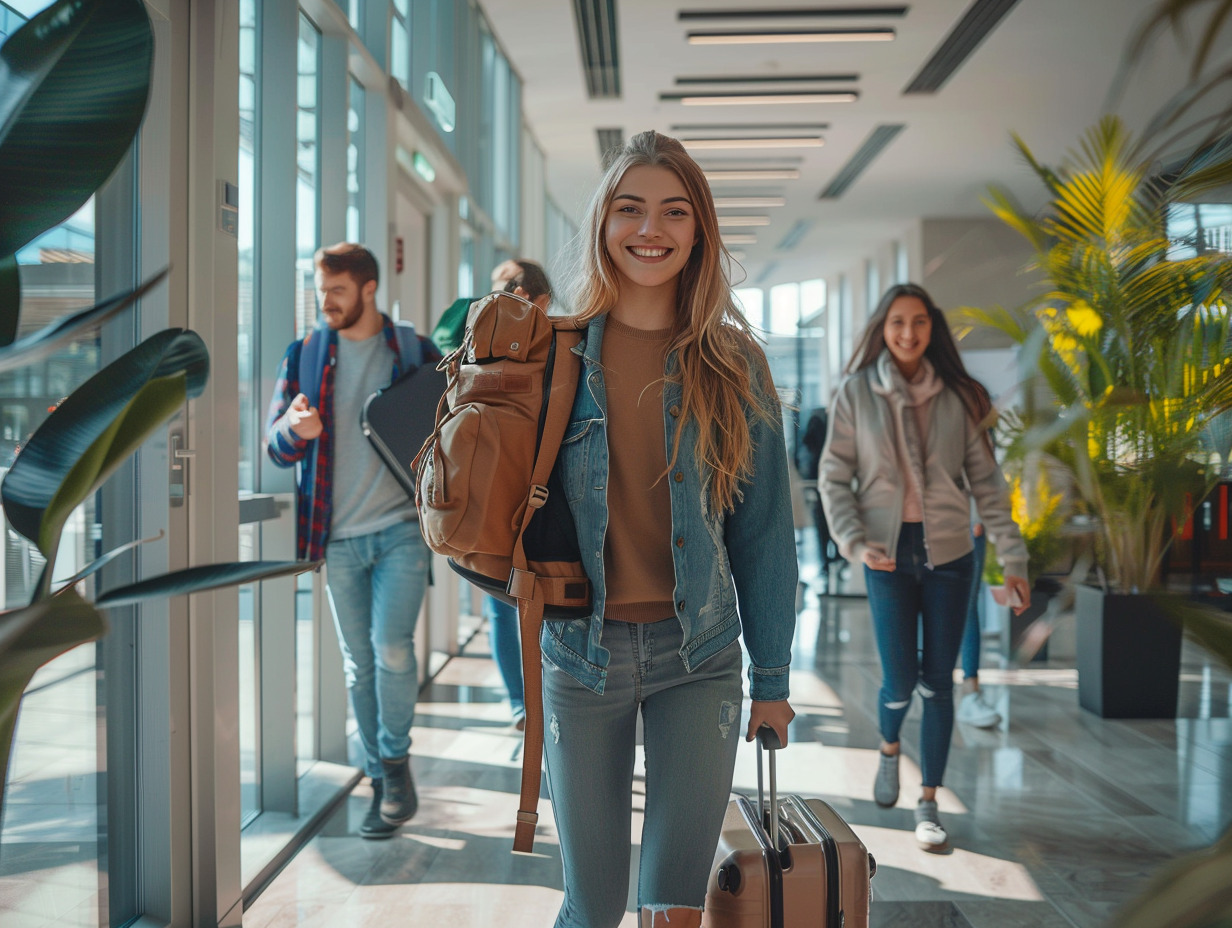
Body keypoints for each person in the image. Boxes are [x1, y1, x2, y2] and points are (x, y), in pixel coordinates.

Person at [540, 130, 797, 928]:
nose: (650, 229)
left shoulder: (735, 365)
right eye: (631, 208)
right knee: (592, 905)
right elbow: (503, 515)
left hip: (702, 657)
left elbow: (764, 534)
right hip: (582, 656)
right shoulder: (552, 355)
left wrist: (776, 681)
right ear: (604, 224)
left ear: (698, 232)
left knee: (673, 907)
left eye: (674, 212)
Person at [819, 282, 1030, 853]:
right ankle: (890, 747)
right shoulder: (856, 393)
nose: (908, 333)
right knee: (899, 679)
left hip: (950, 555)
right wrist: (854, 541)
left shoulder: (959, 397)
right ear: (882, 330)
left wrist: (1013, 557)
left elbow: (987, 482)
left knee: (940, 684)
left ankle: (930, 800)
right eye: (896, 323)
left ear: (932, 327)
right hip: (885, 556)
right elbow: (834, 476)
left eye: (918, 322)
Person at [266, 242, 440, 840]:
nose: (325, 303)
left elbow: (457, 437)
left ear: (368, 289)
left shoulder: (415, 352)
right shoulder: (306, 355)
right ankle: (380, 777)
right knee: (357, 665)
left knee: (392, 649)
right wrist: (294, 429)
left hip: (399, 531)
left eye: (336, 291)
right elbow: (274, 443)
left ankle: (394, 766)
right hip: (334, 536)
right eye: (320, 292)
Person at [479, 258, 555, 731]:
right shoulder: (482, 344)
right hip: (498, 494)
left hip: (543, 497)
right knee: (500, 606)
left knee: (544, 603)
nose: (502, 297)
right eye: (497, 289)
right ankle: (523, 706)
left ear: (541, 298)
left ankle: (548, 699)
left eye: (512, 288)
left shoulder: (562, 345)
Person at [956, 520, 1002, 727]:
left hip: (967, 527)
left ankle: (970, 693)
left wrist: (975, 514)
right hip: (914, 527)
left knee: (966, 603)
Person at [798, 406, 841, 588]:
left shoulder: (827, 418)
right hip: (822, 478)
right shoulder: (820, 418)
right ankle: (832, 559)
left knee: (826, 524)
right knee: (826, 524)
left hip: (824, 479)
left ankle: (832, 559)